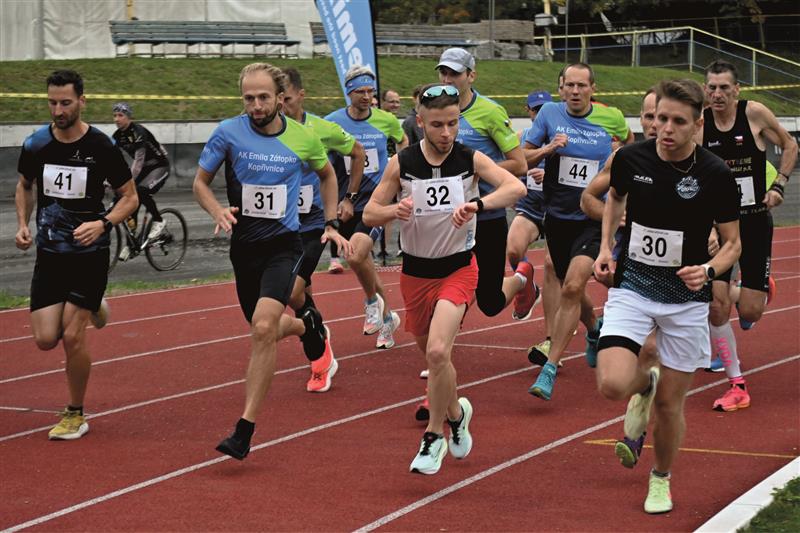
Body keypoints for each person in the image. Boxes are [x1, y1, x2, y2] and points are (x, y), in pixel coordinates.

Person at [594, 78, 741, 514]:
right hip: (634, 286)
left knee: (670, 406)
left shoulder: (715, 173)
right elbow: (615, 199)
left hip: (686, 300)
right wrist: (606, 247)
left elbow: (733, 243)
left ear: (698, 125)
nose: (666, 129)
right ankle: (645, 381)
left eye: (678, 121)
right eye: (660, 118)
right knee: (612, 384)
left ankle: (660, 479)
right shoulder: (630, 158)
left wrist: (710, 271)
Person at [363, 84, 525, 475]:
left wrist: (477, 204)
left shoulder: (469, 158)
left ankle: (434, 438)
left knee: (438, 352)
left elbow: (515, 186)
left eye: (453, 124)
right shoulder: (401, 163)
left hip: (458, 268)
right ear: (420, 123)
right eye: (437, 125)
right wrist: (393, 212)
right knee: (434, 357)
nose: (447, 133)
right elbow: (369, 213)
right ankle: (456, 413)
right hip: (416, 274)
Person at [193, 63, 352, 460]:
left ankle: (244, 430)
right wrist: (216, 211)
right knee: (261, 326)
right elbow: (200, 182)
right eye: (249, 98)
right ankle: (306, 324)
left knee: (263, 328)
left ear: (280, 98)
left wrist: (330, 222)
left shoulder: (302, 138)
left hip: (285, 244)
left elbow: (328, 175)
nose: (256, 105)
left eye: (263, 97)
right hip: (244, 247)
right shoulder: (228, 133)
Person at [15, 70, 138, 440]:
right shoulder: (36, 143)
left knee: (72, 336)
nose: (58, 110)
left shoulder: (101, 146)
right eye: (52, 102)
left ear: (82, 101)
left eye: (65, 103)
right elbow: (24, 185)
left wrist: (103, 223)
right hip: (50, 254)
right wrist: (23, 223)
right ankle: (97, 306)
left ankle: (75, 412)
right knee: (44, 339)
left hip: (89, 252)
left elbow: (129, 197)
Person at [523, 62, 631, 400]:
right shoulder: (549, 115)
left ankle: (550, 368)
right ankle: (595, 328)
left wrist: (616, 160)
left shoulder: (610, 117)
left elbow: (628, 145)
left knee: (572, 285)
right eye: (569, 85)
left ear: (593, 89)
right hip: (556, 216)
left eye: (581, 86)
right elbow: (523, 158)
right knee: (569, 280)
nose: (574, 91)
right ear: (560, 88)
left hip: (593, 217)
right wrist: (548, 150)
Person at [699, 59, 797, 412]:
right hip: (721, 228)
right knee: (716, 305)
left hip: (755, 221)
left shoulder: (753, 114)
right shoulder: (700, 123)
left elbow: (790, 146)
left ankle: (756, 291)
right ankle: (736, 383)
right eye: (711, 87)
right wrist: (707, 224)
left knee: (751, 311)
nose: (717, 94)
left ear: (737, 90)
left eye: (724, 87)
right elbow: (693, 177)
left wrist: (779, 186)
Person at [281, 67, 366, 392]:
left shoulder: (320, 128)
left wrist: (349, 198)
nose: (281, 105)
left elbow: (357, 152)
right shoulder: (268, 132)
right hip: (279, 225)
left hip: (314, 223)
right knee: (299, 294)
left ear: (300, 96)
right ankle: (318, 337)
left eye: (286, 98)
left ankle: (319, 354)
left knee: (291, 292)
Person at [435, 48, 535, 324]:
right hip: (448, 219)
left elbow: (519, 163)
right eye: (443, 72)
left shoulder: (490, 112)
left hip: (486, 216)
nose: (447, 79)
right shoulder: (434, 111)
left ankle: (522, 276)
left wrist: (478, 173)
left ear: (471, 76)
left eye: (454, 73)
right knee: (446, 289)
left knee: (490, 302)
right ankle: (439, 352)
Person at [324, 65, 409, 349]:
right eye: (360, 91)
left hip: (376, 199)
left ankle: (372, 302)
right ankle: (388, 319)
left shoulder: (386, 120)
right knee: (361, 261)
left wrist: (400, 170)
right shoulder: (332, 123)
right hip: (347, 200)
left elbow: (403, 142)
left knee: (358, 254)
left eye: (370, 91)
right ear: (348, 93)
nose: (366, 96)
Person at [506, 90, 552, 319]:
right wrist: (514, 190)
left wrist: (549, 176)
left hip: (558, 210)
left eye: (546, 109)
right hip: (531, 207)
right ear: (529, 111)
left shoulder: (563, 135)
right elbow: (513, 167)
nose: (541, 113)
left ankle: (582, 322)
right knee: (513, 250)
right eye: (537, 109)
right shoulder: (521, 137)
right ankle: (528, 289)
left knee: (561, 274)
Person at [111, 102, 171, 260]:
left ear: (128, 117)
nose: (116, 119)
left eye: (120, 115)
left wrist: (127, 181)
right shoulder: (117, 136)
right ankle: (132, 244)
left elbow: (138, 161)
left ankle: (158, 220)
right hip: (145, 169)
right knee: (128, 199)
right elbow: (111, 161)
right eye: (115, 115)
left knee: (141, 191)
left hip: (159, 166)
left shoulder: (138, 132)